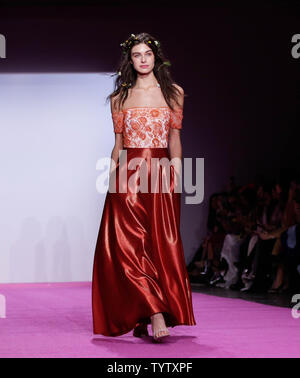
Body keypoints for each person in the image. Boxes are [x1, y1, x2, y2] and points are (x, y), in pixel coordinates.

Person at [92, 32, 196, 342]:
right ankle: (154, 311)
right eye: (137, 55)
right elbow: (118, 146)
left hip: (162, 174)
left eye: (147, 54)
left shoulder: (174, 93)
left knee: (161, 243)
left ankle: (146, 311)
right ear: (130, 60)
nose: (143, 59)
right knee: (130, 244)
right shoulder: (119, 98)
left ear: (156, 57)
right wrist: (111, 180)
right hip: (129, 177)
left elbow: (174, 139)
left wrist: (177, 174)